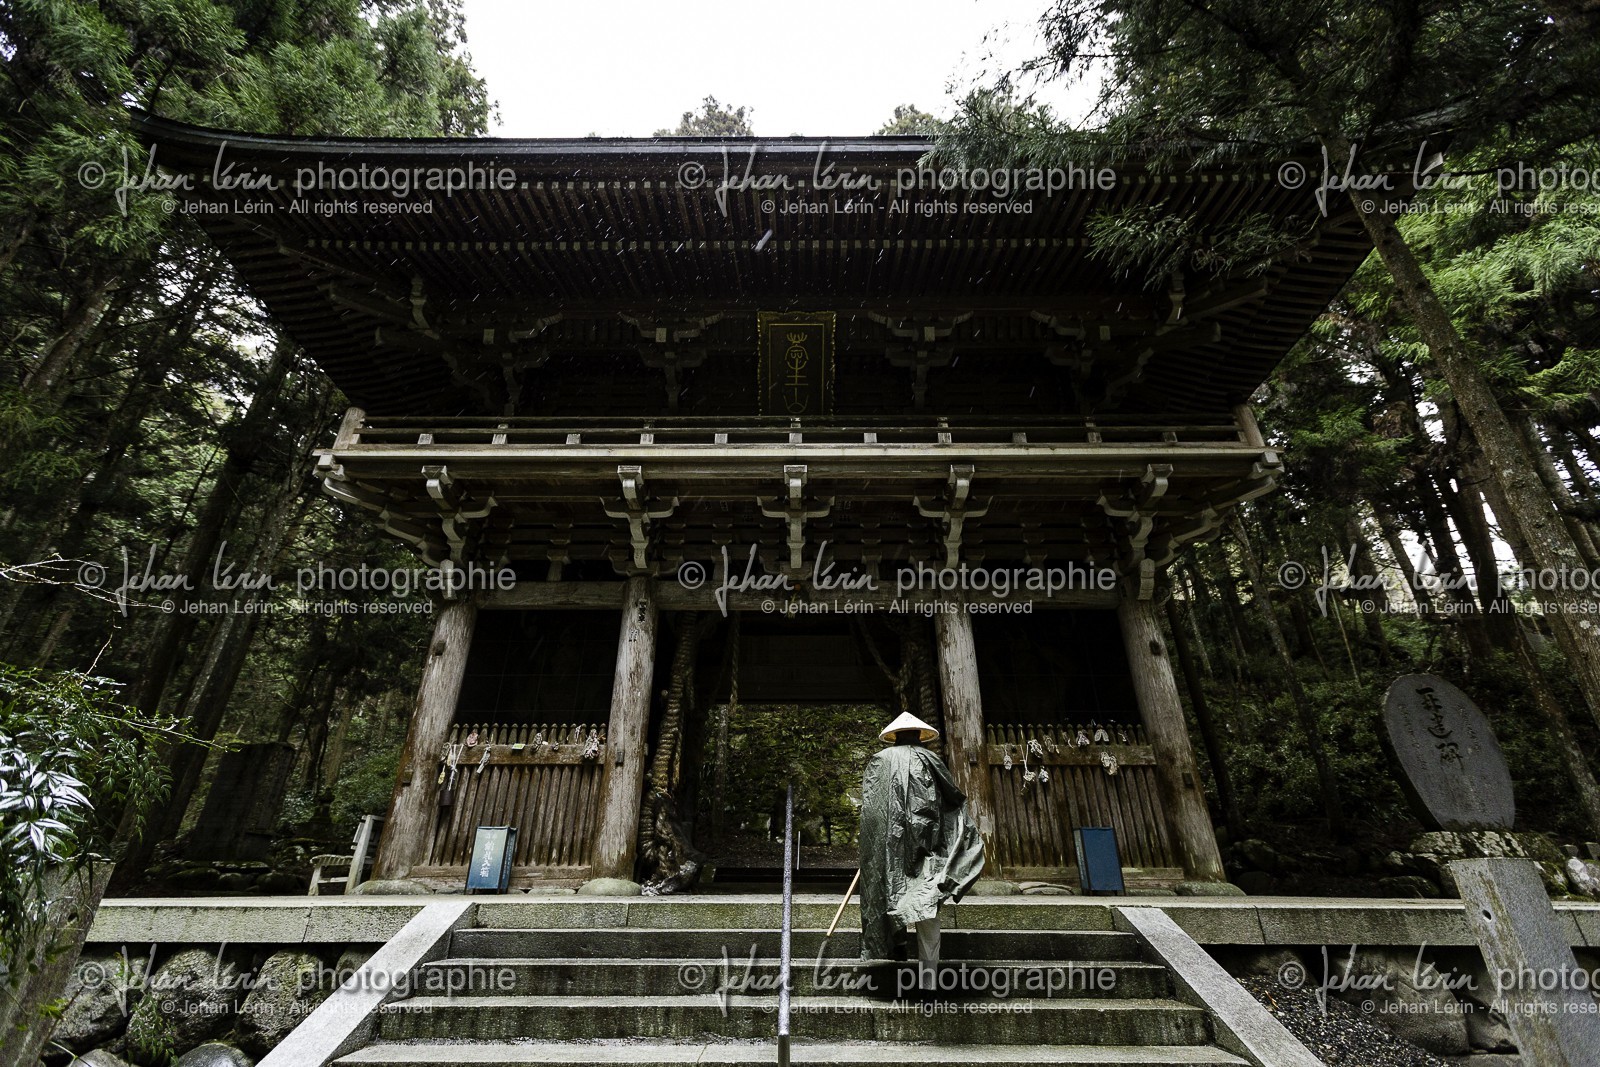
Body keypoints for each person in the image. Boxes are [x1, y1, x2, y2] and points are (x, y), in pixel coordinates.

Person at [857, 711, 986, 988]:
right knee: (927, 903)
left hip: (888, 846)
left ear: (894, 737)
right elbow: (952, 800)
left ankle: (896, 959)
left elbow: (871, 812)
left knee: (888, 895)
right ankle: (929, 978)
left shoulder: (879, 761)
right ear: (919, 735)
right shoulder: (931, 759)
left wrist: (873, 846)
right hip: (927, 842)